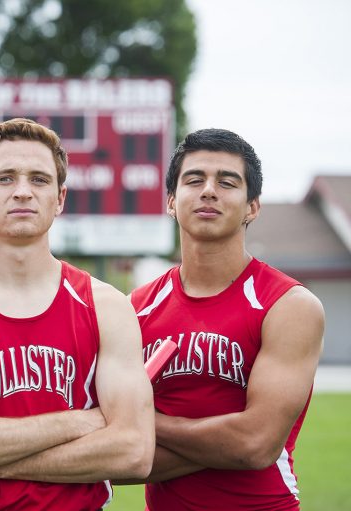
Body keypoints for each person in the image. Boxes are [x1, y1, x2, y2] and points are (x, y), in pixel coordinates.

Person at [0, 118, 155, 510]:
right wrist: (82, 421)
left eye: (39, 179)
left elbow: (133, 451)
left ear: (60, 197)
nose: (23, 192)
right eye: (5, 178)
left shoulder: (107, 307)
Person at [128, 128, 325, 510]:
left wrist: (142, 421)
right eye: (194, 179)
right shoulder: (134, 308)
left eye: (227, 182)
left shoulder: (289, 305)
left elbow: (254, 445)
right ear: (171, 200)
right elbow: (113, 459)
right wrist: (225, 441)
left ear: (252, 207)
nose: (208, 191)